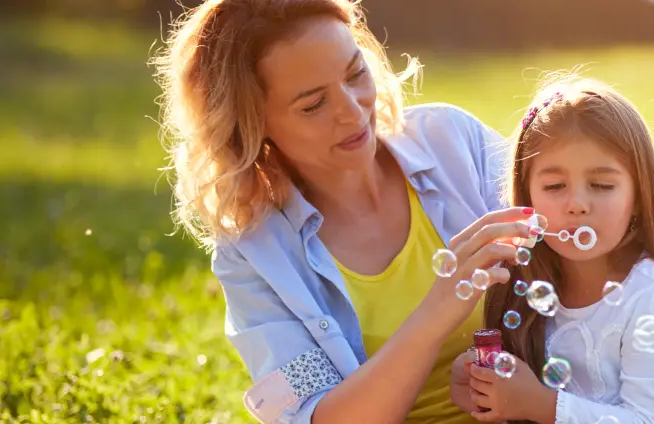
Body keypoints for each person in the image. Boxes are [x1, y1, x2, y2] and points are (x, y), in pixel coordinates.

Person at [152, 1, 537, 422]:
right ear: (251, 125)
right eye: (313, 105)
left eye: (356, 74)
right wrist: (437, 312)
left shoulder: (453, 142)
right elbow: (320, 417)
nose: (353, 111)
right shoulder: (254, 256)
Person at [447, 75, 654, 423]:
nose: (577, 204)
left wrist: (538, 404)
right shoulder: (525, 287)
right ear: (527, 195)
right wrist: (481, 386)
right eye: (555, 185)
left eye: (602, 185)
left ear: (638, 197)